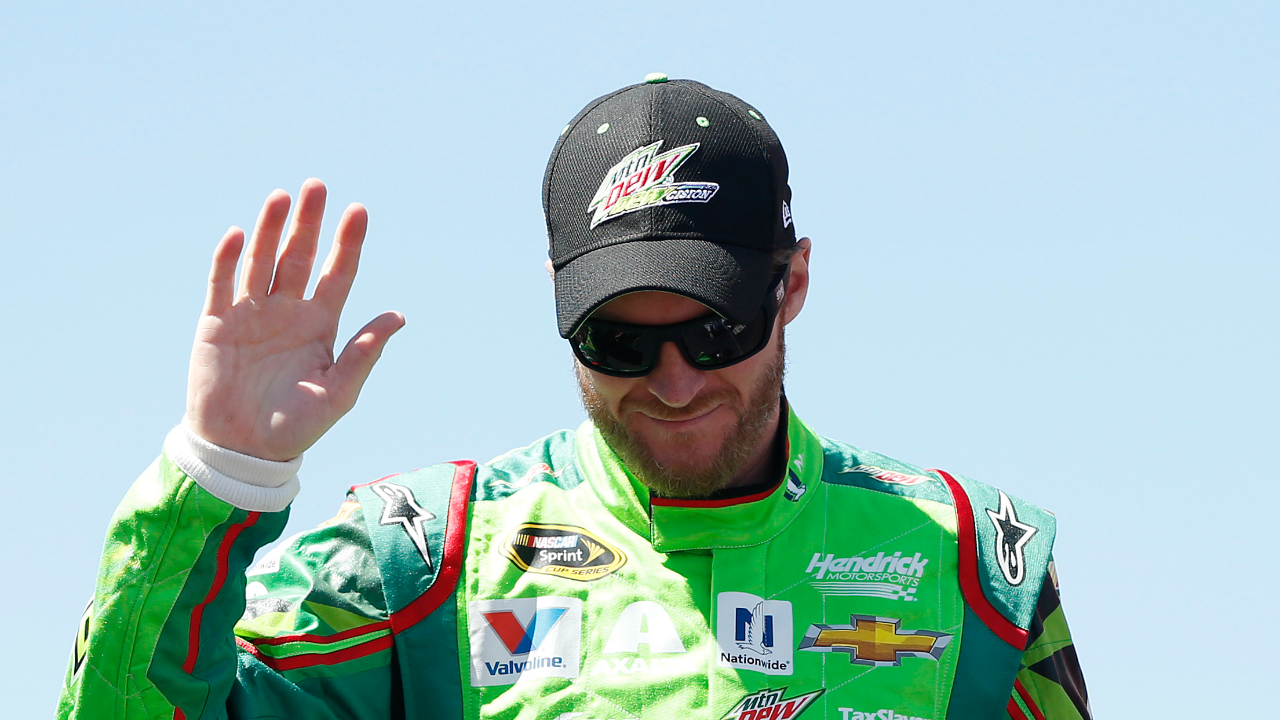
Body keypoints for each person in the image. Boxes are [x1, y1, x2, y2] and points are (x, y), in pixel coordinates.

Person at [58, 76, 1090, 720]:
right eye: (619, 343)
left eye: (715, 329)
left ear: (795, 283)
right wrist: (221, 473)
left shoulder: (973, 572)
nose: (675, 382)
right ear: (556, 304)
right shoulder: (418, 561)